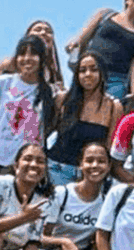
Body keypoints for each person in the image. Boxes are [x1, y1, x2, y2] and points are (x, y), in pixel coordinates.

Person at [0, 33, 56, 194]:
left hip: (27, 165)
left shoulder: (49, 92)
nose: (27, 58)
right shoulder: (3, 83)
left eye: (33, 54)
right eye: (22, 54)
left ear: (41, 59)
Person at [65, 0, 134, 100]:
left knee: (106, 115)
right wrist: (73, 45)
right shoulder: (105, 15)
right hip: (90, 71)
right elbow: (82, 38)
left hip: (116, 82)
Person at [47, 52, 122, 185]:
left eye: (94, 69)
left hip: (89, 175)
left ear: (102, 73)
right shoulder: (63, 99)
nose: (88, 74)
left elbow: (108, 148)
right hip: (56, 169)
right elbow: (45, 131)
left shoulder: (113, 106)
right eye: (82, 70)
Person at [0, 19, 65, 97]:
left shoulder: (52, 72)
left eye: (49, 31)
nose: (43, 32)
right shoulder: (9, 64)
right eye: (37, 30)